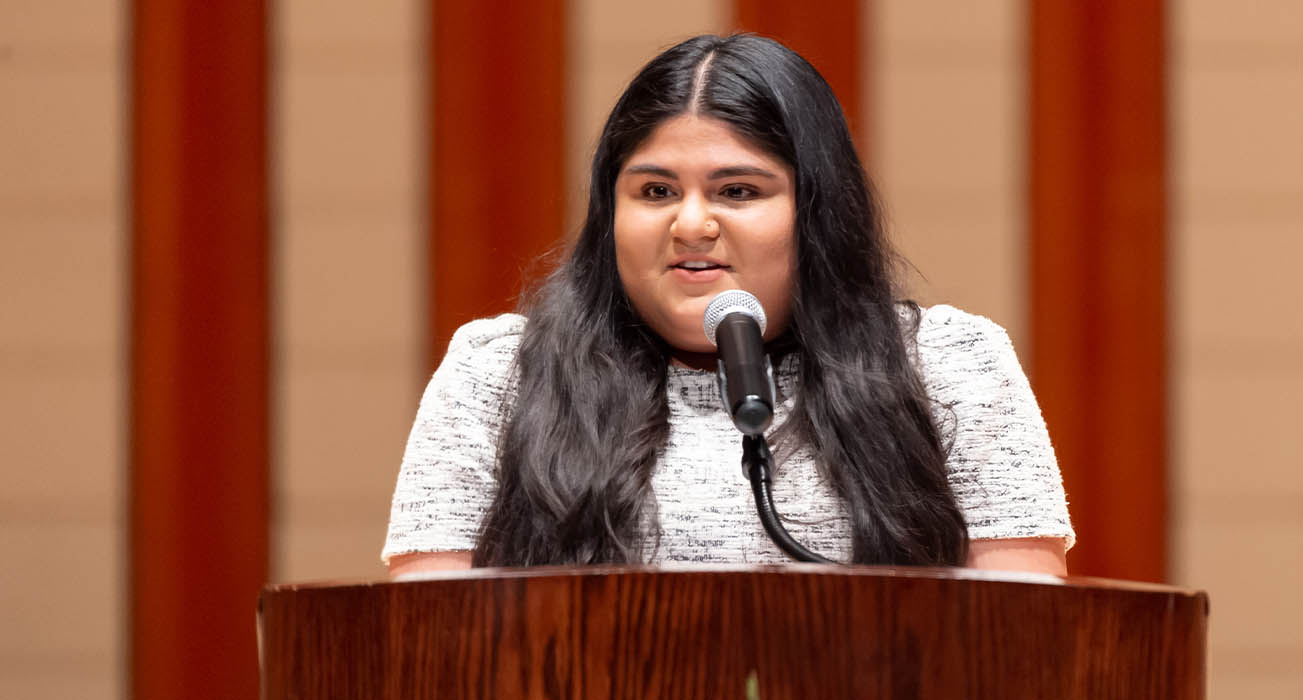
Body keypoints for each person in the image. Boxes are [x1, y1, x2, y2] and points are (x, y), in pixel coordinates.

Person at [383, 34, 1073, 577]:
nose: (691, 224)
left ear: (816, 211)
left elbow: (1016, 641)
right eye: (655, 192)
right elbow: (437, 641)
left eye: (737, 191)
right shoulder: (498, 371)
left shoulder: (948, 364)